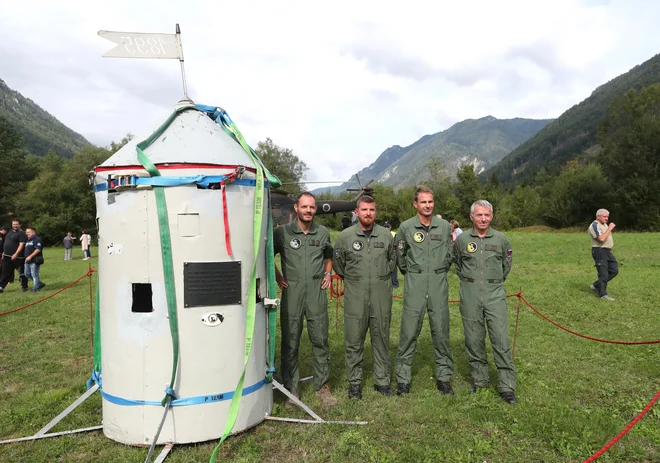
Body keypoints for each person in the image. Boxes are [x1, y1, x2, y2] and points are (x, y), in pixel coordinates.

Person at [273, 192, 338, 407]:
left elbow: (328, 256)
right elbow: (266, 256)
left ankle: (322, 387)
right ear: (296, 209)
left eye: (312, 207)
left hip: (316, 290)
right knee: (290, 341)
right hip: (292, 290)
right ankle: (293, 390)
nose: (308, 210)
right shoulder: (282, 233)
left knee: (320, 338)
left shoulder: (323, 232)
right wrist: (276, 275)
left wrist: (328, 274)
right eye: (304, 207)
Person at [453, 200, 517, 405]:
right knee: (473, 339)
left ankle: (507, 386)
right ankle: (480, 381)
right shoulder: (462, 240)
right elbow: (457, 263)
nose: (483, 219)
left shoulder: (501, 240)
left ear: (492, 216)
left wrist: (492, 282)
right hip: (470, 293)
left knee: (500, 340)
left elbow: (506, 265)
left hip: (495, 293)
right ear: (471, 217)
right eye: (479, 215)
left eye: (486, 215)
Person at [333, 196, 396, 399]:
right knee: (354, 340)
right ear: (356, 212)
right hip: (355, 296)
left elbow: (392, 262)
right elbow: (339, 265)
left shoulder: (386, 236)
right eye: (364, 210)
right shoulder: (345, 237)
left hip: (381, 296)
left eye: (372, 210)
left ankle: (382, 381)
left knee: (381, 338)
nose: (368, 213)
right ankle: (355, 383)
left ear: (375, 212)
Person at [394, 186, 454, 396]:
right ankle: (403, 379)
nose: (427, 205)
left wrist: (437, 270)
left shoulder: (445, 226)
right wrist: (412, 273)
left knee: (441, 331)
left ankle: (444, 378)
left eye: (430, 201)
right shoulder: (406, 227)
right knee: (409, 331)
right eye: (423, 202)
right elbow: (400, 255)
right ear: (415, 204)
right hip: (415, 282)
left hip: (438, 282)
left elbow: (449, 255)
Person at [588, 208, 618, 301]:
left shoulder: (604, 224)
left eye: (607, 217)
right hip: (599, 251)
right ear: (598, 216)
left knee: (614, 270)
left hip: (607, 251)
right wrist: (610, 228)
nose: (606, 218)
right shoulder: (594, 225)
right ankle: (603, 295)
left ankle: (595, 285)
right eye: (604, 216)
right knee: (603, 273)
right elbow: (601, 239)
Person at [0, 219, 28, 293]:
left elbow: (21, 245)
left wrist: (16, 254)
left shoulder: (22, 234)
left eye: (16, 224)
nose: (15, 226)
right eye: (13, 224)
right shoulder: (10, 232)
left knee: (21, 273)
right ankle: (1, 287)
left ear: (20, 225)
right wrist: (3, 252)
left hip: (18, 257)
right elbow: (6, 242)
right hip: (7, 256)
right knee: (5, 272)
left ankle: (24, 287)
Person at [24, 226, 46, 292]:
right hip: (27, 261)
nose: (27, 233)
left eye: (28, 232)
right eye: (26, 232)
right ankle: (39, 284)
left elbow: (38, 249)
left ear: (33, 232)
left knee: (34, 274)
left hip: (34, 260)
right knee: (27, 274)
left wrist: (30, 256)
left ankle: (35, 288)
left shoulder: (37, 239)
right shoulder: (28, 240)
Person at [383, 221, 399, 288]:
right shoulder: (382, 234)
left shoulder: (394, 234)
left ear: (390, 227)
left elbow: (396, 244)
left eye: (387, 226)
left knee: (393, 268)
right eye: (385, 226)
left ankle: (394, 283)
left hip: (393, 252)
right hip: (384, 252)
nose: (386, 228)